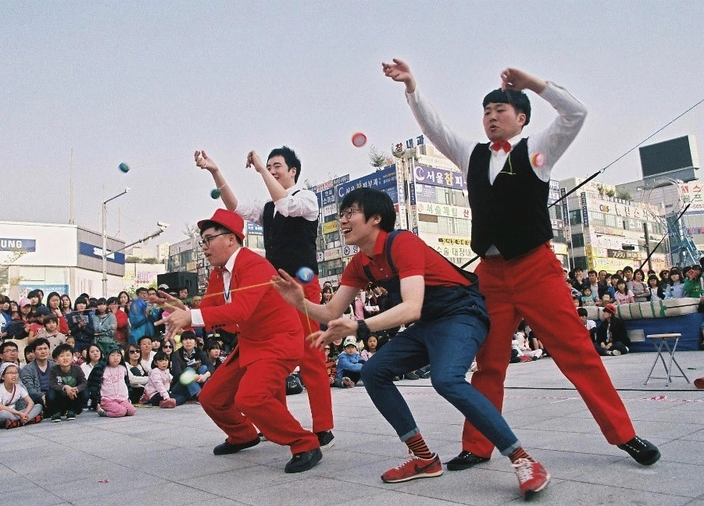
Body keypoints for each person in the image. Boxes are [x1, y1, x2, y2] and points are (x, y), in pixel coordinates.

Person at [382, 58, 659, 470]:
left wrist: (534, 83)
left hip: (536, 268)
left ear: (522, 118)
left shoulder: (539, 150)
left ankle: (625, 434)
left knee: (577, 353)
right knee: (488, 363)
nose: (491, 117)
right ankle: (477, 445)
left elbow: (576, 113)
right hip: (491, 275)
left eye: (500, 110)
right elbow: (435, 128)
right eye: (486, 112)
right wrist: (412, 88)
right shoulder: (471, 155)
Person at [273, 188, 548, 496]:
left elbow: (411, 307)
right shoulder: (359, 264)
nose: (343, 221)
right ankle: (423, 457)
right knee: (373, 371)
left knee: (446, 379)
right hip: (429, 323)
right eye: (341, 215)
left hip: (462, 314)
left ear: (376, 218)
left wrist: (360, 326)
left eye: (351, 213)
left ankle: (523, 459)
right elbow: (331, 312)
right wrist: (299, 301)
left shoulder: (402, 242)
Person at [159, 209, 322, 474]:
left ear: (231, 239)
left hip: (279, 342)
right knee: (211, 397)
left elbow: (240, 311)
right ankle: (243, 435)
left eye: (208, 239)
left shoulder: (254, 265)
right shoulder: (218, 273)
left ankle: (305, 443)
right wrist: (182, 312)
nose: (204, 247)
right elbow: (209, 310)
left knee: (251, 397)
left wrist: (191, 315)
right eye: (202, 241)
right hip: (251, 342)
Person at [194, 146, 335, 450]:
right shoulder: (268, 207)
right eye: (268, 166)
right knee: (267, 357)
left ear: (293, 171)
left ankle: (323, 427)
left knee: (310, 356)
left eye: (277, 166)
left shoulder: (306, 199)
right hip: (274, 288)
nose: (271, 170)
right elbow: (235, 208)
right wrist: (215, 171)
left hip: (302, 286)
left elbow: (286, 204)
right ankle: (277, 423)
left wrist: (259, 168)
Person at [87, 346, 136, 418]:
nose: (116, 358)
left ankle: (117, 408)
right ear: (107, 356)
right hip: (107, 399)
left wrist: (129, 395)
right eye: (112, 355)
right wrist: (96, 400)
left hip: (122, 398)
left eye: (118, 355)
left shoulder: (123, 368)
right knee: (121, 411)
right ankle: (104, 413)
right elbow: (93, 385)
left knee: (132, 411)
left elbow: (127, 382)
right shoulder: (101, 369)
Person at [0, 362, 43, 428]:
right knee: (1, 414)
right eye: (10, 373)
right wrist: (19, 413)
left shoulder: (19, 387)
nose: (14, 375)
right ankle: (24, 420)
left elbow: (30, 402)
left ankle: (18, 422)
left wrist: (25, 414)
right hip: (7, 413)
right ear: (2, 376)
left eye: (16, 373)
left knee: (38, 406)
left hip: (17, 414)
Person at [47, 343, 88, 422]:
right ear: (56, 359)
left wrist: (76, 389)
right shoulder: (53, 370)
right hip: (60, 397)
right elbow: (52, 384)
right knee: (50, 394)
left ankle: (73, 410)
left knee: (85, 392)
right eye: (61, 356)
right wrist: (65, 387)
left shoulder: (77, 368)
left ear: (72, 357)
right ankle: (56, 412)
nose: (65, 358)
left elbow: (84, 382)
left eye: (68, 355)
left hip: (73, 395)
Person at [19, 338, 55, 411]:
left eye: (45, 348)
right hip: (37, 399)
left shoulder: (55, 366)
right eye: (40, 349)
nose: (43, 352)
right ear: (33, 352)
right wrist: (42, 396)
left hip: (54, 396)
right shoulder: (27, 369)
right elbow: (29, 389)